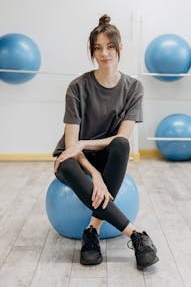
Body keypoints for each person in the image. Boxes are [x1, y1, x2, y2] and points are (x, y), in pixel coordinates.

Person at [53, 14, 159, 270]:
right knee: (65, 164)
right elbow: (71, 146)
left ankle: (92, 230)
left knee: (123, 145)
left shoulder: (134, 88)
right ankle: (136, 235)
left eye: (110, 47)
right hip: (75, 159)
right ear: (92, 51)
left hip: (106, 153)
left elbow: (121, 137)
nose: (105, 53)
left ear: (120, 48)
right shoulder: (77, 87)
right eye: (98, 48)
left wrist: (85, 144)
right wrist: (95, 176)